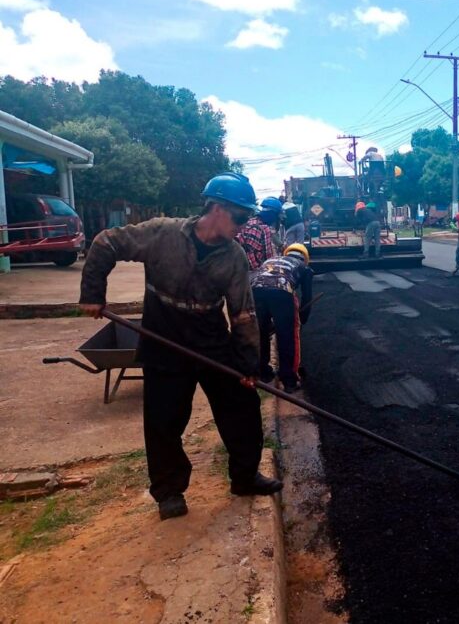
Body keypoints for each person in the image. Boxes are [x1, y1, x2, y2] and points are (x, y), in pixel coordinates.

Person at [79, 172, 282, 521]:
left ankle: (245, 477)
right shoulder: (162, 233)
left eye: (248, 217)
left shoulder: (233, 257)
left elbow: (244, 315)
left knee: (242, 406)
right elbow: (105, 243)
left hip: (210, 337)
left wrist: (249, 367)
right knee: (163, 419)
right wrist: (93, 294)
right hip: (165, 334)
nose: (245, 223)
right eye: (240, 216)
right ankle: (169, 491)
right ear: (216, 208)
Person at [252, 244, 313, 393]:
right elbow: (307, 297)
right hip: (281, 291)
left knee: (262, 333)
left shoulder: (270, 260)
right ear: (304, 258)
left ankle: (264, 372)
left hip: (256, 291)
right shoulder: (305, 268)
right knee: (286, 336)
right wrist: (302, 317)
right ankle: (289, 380)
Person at [235, 197, 280, 270]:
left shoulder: (249, 222)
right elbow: (269, 258)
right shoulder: (264, 228)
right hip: (252, 271)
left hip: (238, 267)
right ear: (274, 215)